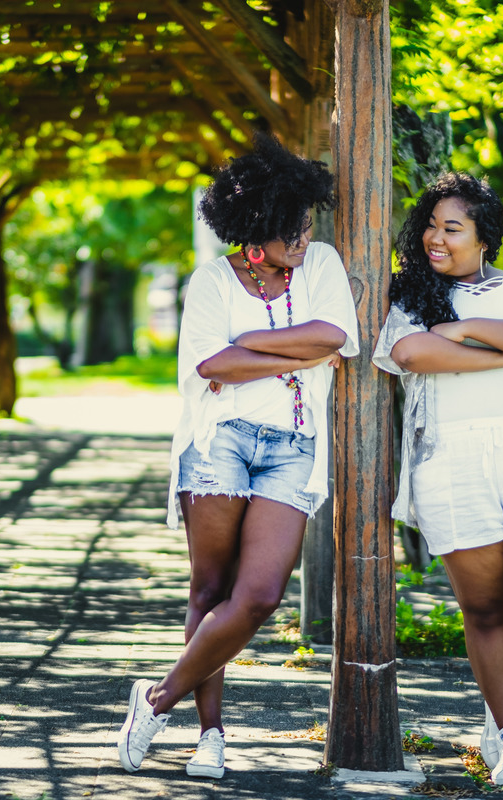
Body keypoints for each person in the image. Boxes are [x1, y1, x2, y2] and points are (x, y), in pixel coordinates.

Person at [115, 133, 359, 778]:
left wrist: (249, 344)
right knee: (210, 588)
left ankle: (156, 697)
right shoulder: (213, 280)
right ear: (254, 230)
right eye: (290, 231)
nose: (303, 239)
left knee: (258, 596)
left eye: (306, 224)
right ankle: (210, 735)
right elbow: (209, 362)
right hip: (218, 439)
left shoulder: (322, 265)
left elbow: (336, 335)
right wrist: (288, 349)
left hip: (293, 446)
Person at [371, 172, 503, 787]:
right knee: (488, 610)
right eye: (430, 227)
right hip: (450, 461)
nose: (435, 239)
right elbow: (411, 355)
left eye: (451, 228)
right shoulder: (409, 294)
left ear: (484, 237)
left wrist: (466, 330)